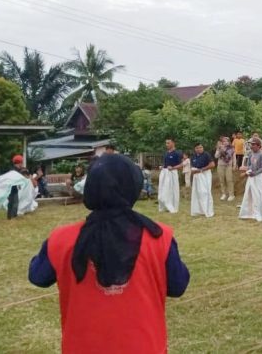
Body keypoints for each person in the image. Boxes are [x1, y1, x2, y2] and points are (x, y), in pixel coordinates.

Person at [28, 154, 189, 353]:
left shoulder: (62, 239)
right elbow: (178, 285)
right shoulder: (159, 237)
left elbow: (37, 276)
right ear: (133, 187)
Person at [239, 138, 262, 222]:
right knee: (249, 193)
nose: (252, 146)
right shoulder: (251, 154)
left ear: (258, 146)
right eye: (251, 144)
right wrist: (246, 171)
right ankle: (249, 213)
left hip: (258, 177)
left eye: (253, 144)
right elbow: (249, 165)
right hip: (251, 176)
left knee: (258, 195)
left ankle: (260, 214)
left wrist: (255, 173)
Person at [190, 143, 215, 218]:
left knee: (205, 192)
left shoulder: (206, 155)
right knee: (197, 193)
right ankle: (198, 210)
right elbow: (192, 166)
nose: (200, 149)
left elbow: (212, 164)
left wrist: (201, 170)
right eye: (198, 148)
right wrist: (192, 170)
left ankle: (208, 210)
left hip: (205, 174)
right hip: (196, 176)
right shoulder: (193, 157)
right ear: (195, 149)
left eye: (201, 147)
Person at [158, 138, 182, 214]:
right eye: (166, 143)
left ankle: (173, 207)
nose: (167, 145)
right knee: (163, 190)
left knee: (172, 190)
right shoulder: (166, 153)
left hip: (172, 174)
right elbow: (165, 164)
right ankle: (164, 205)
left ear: (173, 143)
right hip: (165, 173)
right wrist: (162, 167)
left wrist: (173, 168)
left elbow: (181, 165)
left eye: (168, 143)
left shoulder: (177, 153)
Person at [215, 136, 235, 202]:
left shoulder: (231, 148)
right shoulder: (219, 148)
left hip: (228, 166)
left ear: (229, 142)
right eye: (223, 141)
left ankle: (231, 195)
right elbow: (216, 156)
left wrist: (234, 165)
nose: (225, 142)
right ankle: (224, 194)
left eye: (226, 141)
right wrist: (219, 149)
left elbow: (231, 157)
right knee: (222, 180)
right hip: (220, 165)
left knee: (229, 180)